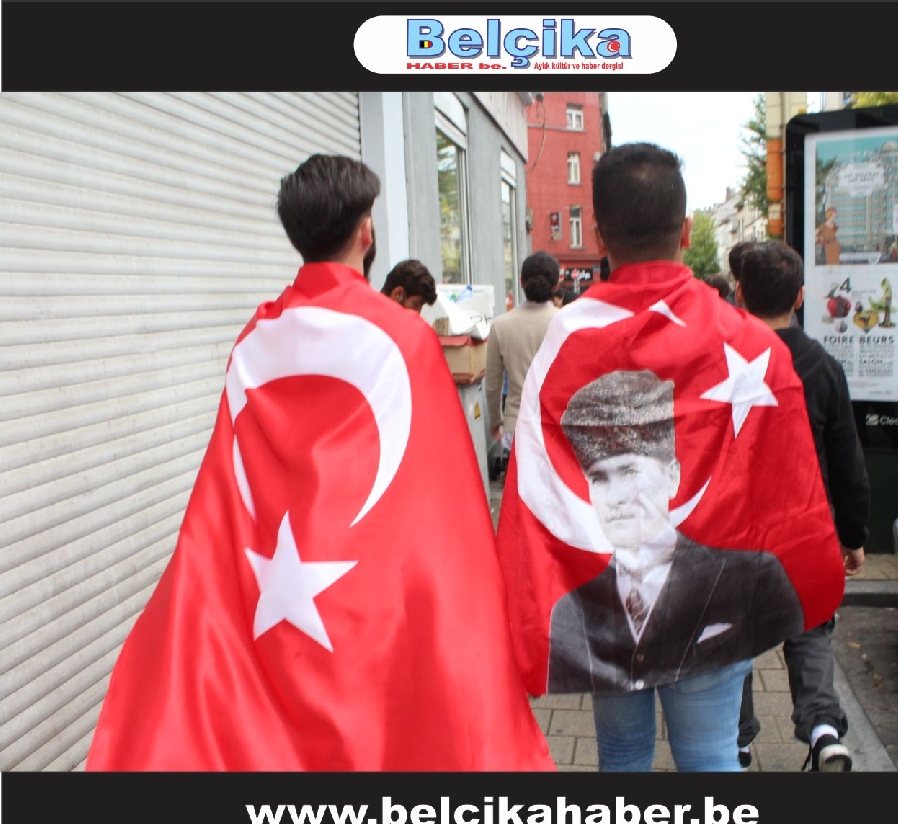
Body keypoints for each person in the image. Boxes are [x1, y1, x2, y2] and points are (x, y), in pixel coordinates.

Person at [85, 154, 555, 772]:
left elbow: (231, 480)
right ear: (365, 231)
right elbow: (442, 500)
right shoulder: (405, 339)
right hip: (376, 600)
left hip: (279, 589)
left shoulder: (256, 337)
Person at [496, 142, 847, 774]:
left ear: (598, 233)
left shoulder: (564, 338)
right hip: (718, 602)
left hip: (603, 607)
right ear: (685, 231)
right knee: (711, 755)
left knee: (622, 754)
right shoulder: (751, 343)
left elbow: (538, 479)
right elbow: (787, 479)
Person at [549, 370, 806, 769]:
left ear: (673, 475)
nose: (616, 497)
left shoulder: (744, 577)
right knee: (640, 756)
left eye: (630, 471)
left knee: (698, 758)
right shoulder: (573, 609)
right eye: (599, 478)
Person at [735, 239, 871, 772]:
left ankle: (736, 741)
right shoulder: (824, 367)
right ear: (800, 297)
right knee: (811, 628)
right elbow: (847, 460)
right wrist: (852, 536)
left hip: (736, 532)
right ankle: (822, 731)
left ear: (739, 293)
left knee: (736, 638)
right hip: (806, 529)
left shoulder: (720, 361)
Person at [485, 251, 560, 456]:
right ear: (556, 285)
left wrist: (496, 420)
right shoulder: (566, 322)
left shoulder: (500, 326)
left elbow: (493, 385)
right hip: (556, 424)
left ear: (521, 282)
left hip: (517, 423)